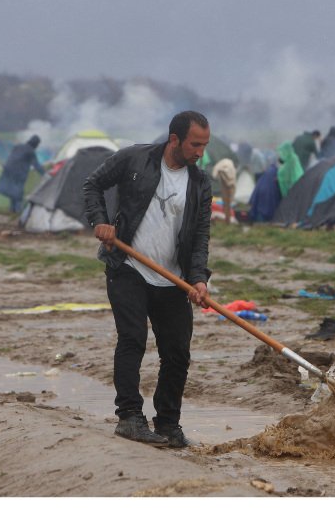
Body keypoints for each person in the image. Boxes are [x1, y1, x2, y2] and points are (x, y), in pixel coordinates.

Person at [83, 110, 212, 448]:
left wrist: (198, 279)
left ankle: (168, 423)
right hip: (128, 267)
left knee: (177, 354)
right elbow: (93, 184)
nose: (201, 152)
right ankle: (129, 417)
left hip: (173, 278)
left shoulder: (199, 183)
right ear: (174, 139)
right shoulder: (134, 159)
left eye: (205, 145)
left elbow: (200, 237)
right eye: (195, 144)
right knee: (133, 339)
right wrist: (100, 220)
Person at [0, 134, 45, 213]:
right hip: (18, 174)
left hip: (8, 170)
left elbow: (11, 157)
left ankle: (12, 210)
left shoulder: (18, 146)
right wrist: (45, 174)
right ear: (35, 144)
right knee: (18, 193)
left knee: (12, 192)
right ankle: (18, 211)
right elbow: (36, 165)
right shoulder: (30, 151)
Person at [211, 157, 237, 224]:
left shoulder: (227, 166)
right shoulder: (223, 166)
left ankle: (227, 221)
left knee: (227, 202)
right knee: (226, 202)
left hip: (227, 191)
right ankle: (227, 220)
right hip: (225, 192)